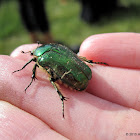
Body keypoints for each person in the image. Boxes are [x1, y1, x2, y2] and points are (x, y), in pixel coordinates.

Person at [0, 33, 140, 139]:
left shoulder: (41, 60)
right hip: (83, 72)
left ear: (35, 56)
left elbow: (34, 68)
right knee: (69, 61)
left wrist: (27, 75)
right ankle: (88, 65)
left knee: (52, 79)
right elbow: (74, 56)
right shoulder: (56, 47)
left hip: (76, 81)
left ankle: (62, 99)